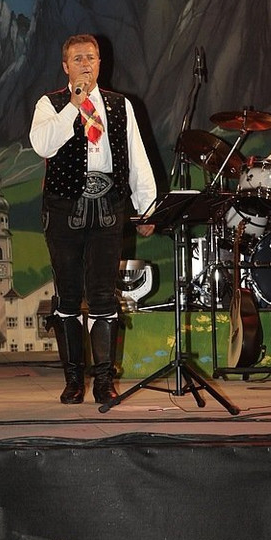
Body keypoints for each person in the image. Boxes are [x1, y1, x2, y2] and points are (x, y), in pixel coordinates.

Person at [29, 34, 157, 405]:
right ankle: (73, 380)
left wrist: (146, 207)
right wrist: (74, 105)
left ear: (100, 63)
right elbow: (42, 145)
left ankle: (103, 381)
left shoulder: (120, 105)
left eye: (91, 57)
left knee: (102, 295)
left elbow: (137, 157)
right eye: (78, 58)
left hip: (109, 206)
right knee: (68, 295)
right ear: (65, 66)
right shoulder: (50, 104)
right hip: (64, 208)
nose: (85, 63)